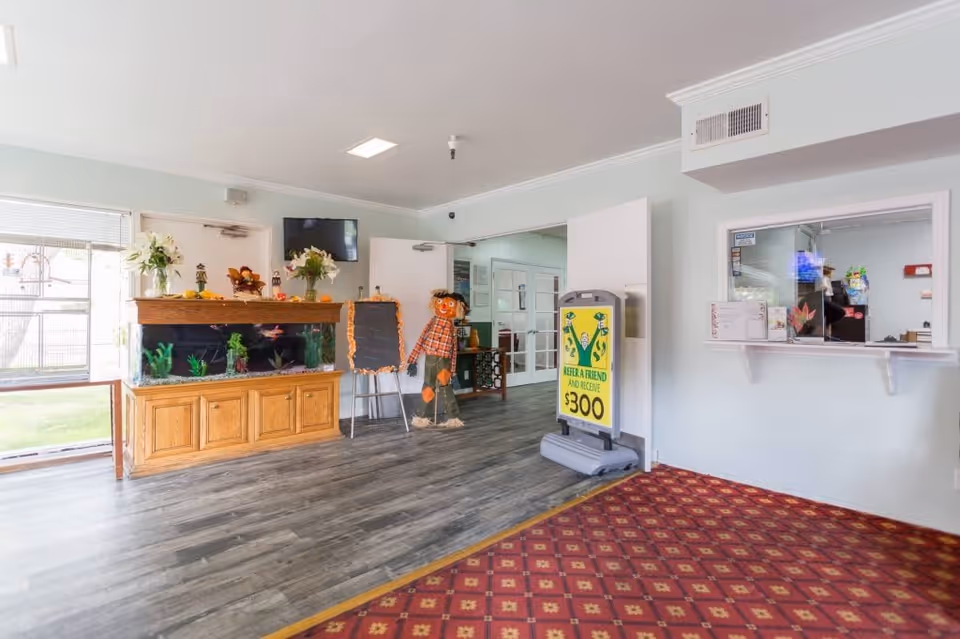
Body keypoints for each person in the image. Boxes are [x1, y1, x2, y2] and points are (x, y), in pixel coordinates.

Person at [406, 290, 469, 428]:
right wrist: (412, 359)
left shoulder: (453, 328)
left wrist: (453, 371)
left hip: (444, 361)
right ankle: (422, 416)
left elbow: (453, 352)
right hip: (430, 358)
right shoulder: (432, 322)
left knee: (445, 387)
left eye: (449, 304)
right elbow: (421, 339)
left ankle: (453, 418)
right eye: (440, 302)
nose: (444, 306)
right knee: (428, 386)